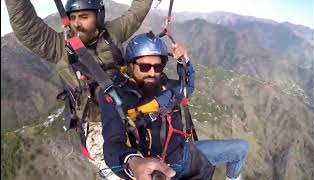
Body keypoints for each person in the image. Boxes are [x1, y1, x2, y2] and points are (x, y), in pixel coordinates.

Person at [5, 0, 154, 178]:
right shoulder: (59, 47)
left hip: (128, 110)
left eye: (84, 17)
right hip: (96, 122)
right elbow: (26, 26)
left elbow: (137, 12)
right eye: (73, 17)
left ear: (98, 18)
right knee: (121, 172)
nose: (76, 23)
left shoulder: (112, 33)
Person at [98, 31, 249, 180]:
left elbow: (186, 89)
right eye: (144, 67)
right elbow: (113, 143)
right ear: (131, 65)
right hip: (159, 170)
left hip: (185, 155)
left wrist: (184, 62)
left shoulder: (163, 85)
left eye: (157, 67)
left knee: (241, 149)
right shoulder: (117, 96)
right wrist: (133, 162)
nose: (152, 73)